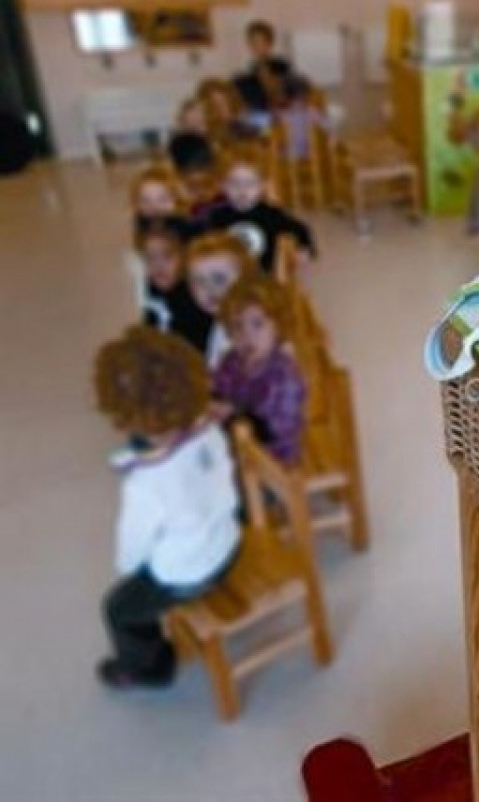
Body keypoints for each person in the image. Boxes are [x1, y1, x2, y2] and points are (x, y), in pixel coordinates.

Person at [93, 327, 241, 689]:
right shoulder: (211, 431)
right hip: (229, 543)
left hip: (188, 576)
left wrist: (131, 565)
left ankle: (150, 669)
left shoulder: (144, 483)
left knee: (118, 609)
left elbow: (131, 554)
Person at [212, 276, 307, 466]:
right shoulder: (232, 362)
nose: (247, 336)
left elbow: (274, 429)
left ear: (278, 326)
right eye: (238, 326)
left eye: (258, 324)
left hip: (274, 460)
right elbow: (217, 390)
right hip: (233, 448)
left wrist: (232, 414)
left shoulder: (284, 374)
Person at [207, 159, 316, 273]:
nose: (242, 190)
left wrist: (304, 249)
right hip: (227, 274)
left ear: (261, 187)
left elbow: (299, 228)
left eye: (250, 184)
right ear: (224, 186)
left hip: (261, 276)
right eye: (235, 183)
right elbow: (202, 240)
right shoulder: (216, 216)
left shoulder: (270, 214)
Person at [136, 226, 213, 354]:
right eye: (149, 258)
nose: (158, 265)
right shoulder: (142, 298)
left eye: (167, 256)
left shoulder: (195, 298)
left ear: (182, 257)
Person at [186, 231, 254, 367]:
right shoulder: (220, 326)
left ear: (245, 279)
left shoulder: (251, 327)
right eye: (199, 282)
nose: (210, 289)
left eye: (219, 279)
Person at [234, 20, 292, 114]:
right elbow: (251, 100)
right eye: (253, 42)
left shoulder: (282, 66)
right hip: (260, 114)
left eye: (260, 41)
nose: (256, 46)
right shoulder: (250, 71)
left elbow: (286, 96)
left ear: (269, 43)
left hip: (282, 112)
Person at [130, 166, 200, 242]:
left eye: (162, 200)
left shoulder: (190, 230)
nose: (154, 207)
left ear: (177, 201)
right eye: (145, 201)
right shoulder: (142, 224)